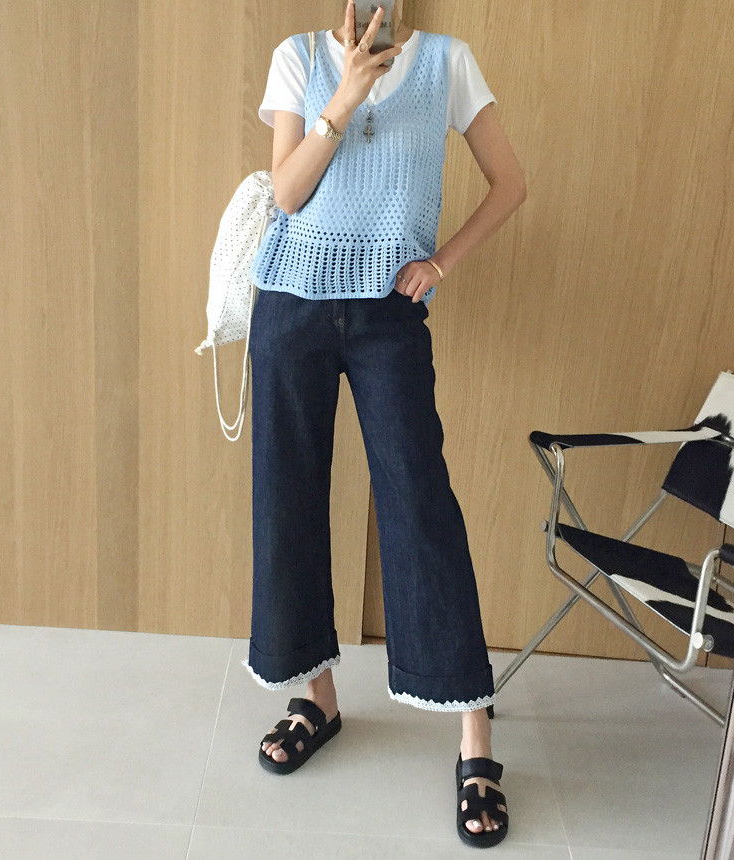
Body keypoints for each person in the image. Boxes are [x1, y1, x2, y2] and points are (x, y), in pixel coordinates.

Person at [244, 0, 526, 847]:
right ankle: (316, 697)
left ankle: (475, 735)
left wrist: (440, 262)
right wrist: (344, 97)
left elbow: (511, 184)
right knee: (288, 499)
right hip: (290, 306)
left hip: (388, 314)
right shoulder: (298, 57)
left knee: (420, 503)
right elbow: (286, 195)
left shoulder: (447, 62)